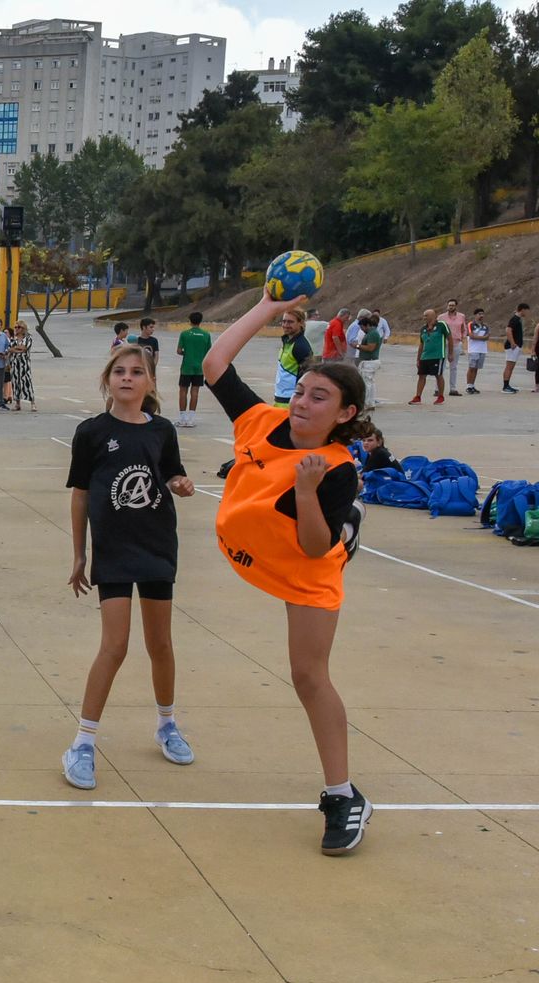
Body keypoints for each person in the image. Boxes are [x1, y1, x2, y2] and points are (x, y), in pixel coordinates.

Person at [202, 291, 374, 855]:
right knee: (306, 675)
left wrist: (305, 489)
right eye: (301, 390)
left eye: (319, 397)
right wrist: (265, 308)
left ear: (345, 414)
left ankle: (343, 795)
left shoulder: (336, 469)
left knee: (309, 677)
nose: (303, 402)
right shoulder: (260, 421)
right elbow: (215, 365)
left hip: (307, 570)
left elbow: (313, 544)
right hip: (256, 554)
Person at [60, 343, 197, 791]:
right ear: (107, 380)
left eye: (137, 372)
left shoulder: (161, 430)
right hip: (115, 551)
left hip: (157, 546)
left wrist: (180, 483)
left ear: (150, 383)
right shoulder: (92, 432)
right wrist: (80, 552)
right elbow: (80, 492)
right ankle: (82, 742)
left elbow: (172, 473)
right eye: (119, 371)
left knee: (161, 644)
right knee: (114, 646)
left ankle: (167, 725)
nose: (127, 378)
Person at [175, 311, 212, 427]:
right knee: (195, 392)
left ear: (190, 321)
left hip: (187, 367)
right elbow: (209, 352)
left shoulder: (185, 334)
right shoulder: (206, 335)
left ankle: (182, 418)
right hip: (199, 368)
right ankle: (191, 419)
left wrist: (187, 353)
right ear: (200, 321)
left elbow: (179, 351)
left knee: (183, 391)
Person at [273, 306, 313, 406]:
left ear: (301, 323)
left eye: (290, 322)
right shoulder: (287, 342)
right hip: (280, 398)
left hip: (291, 401)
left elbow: (308, 376)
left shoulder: (301, 346)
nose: (285, 325)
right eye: (284, 321)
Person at [409, 308, 450, 405]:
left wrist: (451, 353)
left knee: (438, 375)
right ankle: (418, 396)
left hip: (437, 355)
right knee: (421, 375)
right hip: (425, 356)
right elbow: (421, 344)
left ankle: (440, 396)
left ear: (432, 316)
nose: (424, 318)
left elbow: (450, 338)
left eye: (426, 316)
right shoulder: (423, 328)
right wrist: (418, 358)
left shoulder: (441, 325)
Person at [439, 299, 467, 398]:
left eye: (453, 305)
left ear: (456, 306)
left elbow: (464, 329)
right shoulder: (441, 317)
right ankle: (438, 389)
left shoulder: (461, 316)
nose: (451, 307)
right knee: (441, 366)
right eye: (449, 305)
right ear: (447, 306)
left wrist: (462, 340)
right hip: (444, 343)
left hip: (456, 343)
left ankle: (453, 389)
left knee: (453, 367)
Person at [355, 311, 382, 411]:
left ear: (367, 325)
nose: (362, 330)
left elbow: (370, 348)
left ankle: (367, 403)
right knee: (370, 382)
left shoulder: (372, 334)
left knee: (367, 383)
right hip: (370, 361)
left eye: (362, 327)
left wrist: (357, 346)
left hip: (370, 361)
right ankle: (370, 403)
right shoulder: (372, 333)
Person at [8, 320, 35, 412]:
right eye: (15, 327)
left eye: (18, 327)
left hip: (24, 363)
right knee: (15, 383)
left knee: (27, 382)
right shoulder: (13, 339)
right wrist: (16, 349)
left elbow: (24, 348)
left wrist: (15, 349)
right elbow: (10, 349)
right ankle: (17, 403)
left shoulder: (28, 338)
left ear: (23, 328)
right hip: (14, 363)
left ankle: (32, 403)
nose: (16, 329)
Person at [502, 303, 529, 395]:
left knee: (511, 367)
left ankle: (507, 384)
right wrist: (512, 343)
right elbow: (508, 330)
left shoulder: (518, 319)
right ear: (522, 310)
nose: (527, 313)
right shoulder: (515, 319)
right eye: (526, 310)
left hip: (516, 346)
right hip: (512, 346)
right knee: (509, 366)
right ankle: (505, 386)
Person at [464, 309, 490, 394]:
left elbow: (487, 336)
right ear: (475, 315)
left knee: (476, 369)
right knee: (471, 368)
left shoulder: (485, 326)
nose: (481, 316)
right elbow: (471, 336)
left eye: (482, 314)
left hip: (482, 350)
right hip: (473, 350)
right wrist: (482, 338)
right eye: (479, 314)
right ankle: (468, 386)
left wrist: (478, 337)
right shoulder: (471, 324)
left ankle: (472, 385)